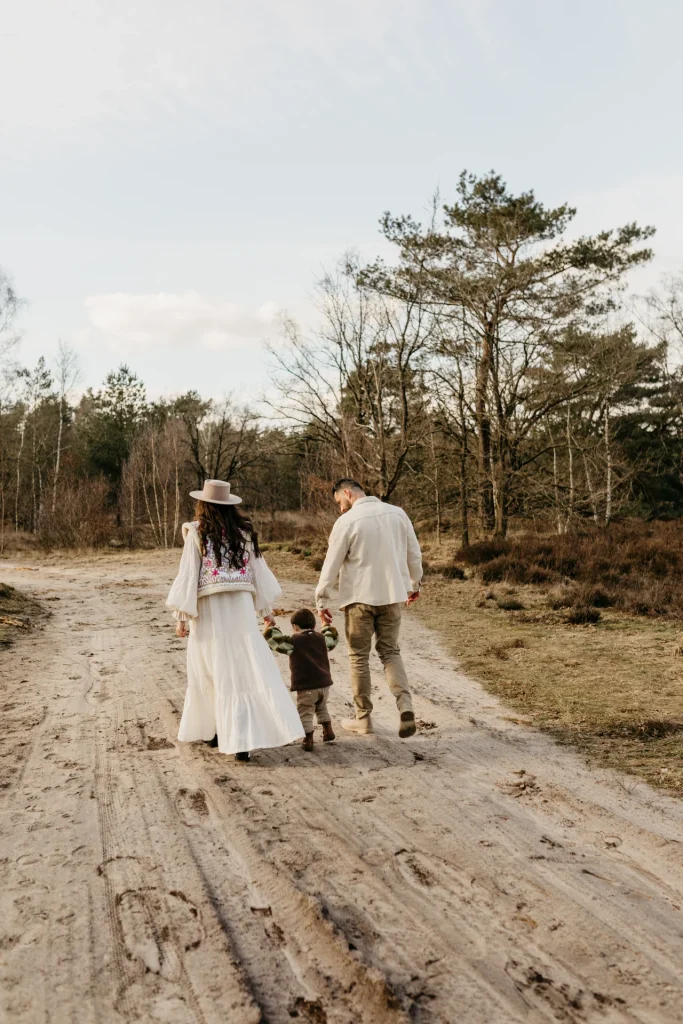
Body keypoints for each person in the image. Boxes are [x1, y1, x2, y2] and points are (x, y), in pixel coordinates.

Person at [166, 479, 305, 762]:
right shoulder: (244, 533)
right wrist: (267, 614)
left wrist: (181, 616)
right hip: (240, 609)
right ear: (229, 506)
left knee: (210, 670)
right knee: (242, 670)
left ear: (203, 505)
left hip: (209, 611)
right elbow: (258, 573)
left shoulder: (195, 532)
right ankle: (241, 739)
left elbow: (189, 574)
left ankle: (218, 732)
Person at [315, 479, 422, 738]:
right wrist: (413, 584)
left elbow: (331, 564)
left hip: (358, 600)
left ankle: (363, 718)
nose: (340, 508)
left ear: (348, 494)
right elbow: (414, 553)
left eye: (340, 502)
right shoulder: (398, 514)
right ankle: (405, 706)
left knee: (358, 658)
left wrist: (321, 599)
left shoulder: (347, 522)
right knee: (390, 652)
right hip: (392, 597)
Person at [264, 609, 339, 752]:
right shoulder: (321, 639)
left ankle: (308, 738)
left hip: (307, 687)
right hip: (324, 685)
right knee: (321, 707)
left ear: (295, 627)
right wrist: (326, 625)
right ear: (314, 625)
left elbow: (276, 641)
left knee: (305, 712)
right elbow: (332, 637)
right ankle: (328, 730)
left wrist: (269, 628)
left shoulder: (295, 641)